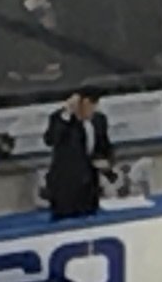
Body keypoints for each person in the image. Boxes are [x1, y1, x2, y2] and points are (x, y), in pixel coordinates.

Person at [42, 89, 114, 217]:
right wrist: (67, 112)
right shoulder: (61, 119)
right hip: (66, 188)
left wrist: (106, 162)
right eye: (87, 106)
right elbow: (51, 140)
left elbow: (105, 147)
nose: (91, 110)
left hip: (90, 187)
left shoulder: (99, 120)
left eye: (94, 106)